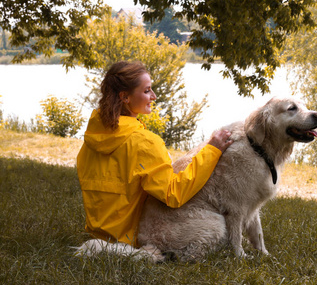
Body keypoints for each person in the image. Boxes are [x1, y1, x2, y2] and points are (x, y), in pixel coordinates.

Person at [77, 61, 233, 247]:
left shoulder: (91, 139)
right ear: (125, 97)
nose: (154, 96)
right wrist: (212, 149)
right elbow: (174, 194)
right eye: (147, 91)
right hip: (131, 240)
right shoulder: (145, 143)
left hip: (98, 236)